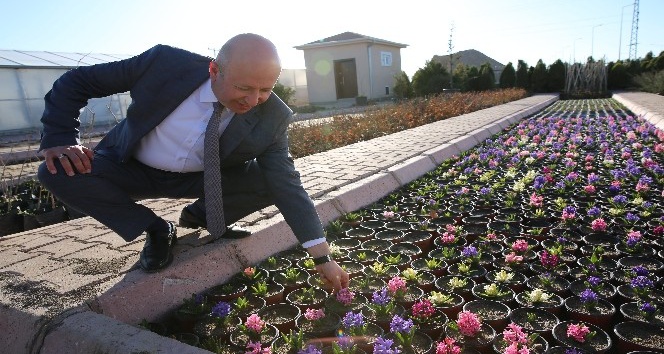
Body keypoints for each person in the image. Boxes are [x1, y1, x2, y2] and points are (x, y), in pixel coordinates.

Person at [37, 33, 349, 292]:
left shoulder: (273, 117)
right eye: (243, 88)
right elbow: (77, 82)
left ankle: (201, 215)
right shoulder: (163, 64)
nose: (252, 101)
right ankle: (156, 229)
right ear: (214, 71)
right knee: (56, 172)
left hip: (203, 178)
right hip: (131, 167)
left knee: (269, 179)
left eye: (265, 90)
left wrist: (322, 256)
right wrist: (60, 137)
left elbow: (287, 184)